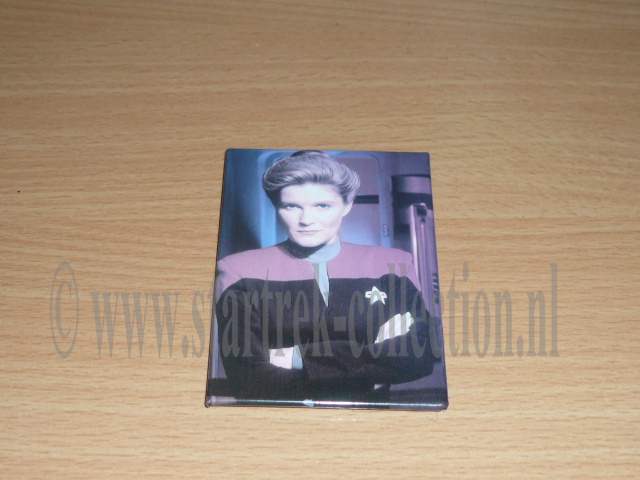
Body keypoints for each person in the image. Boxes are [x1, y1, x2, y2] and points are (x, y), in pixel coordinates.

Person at [209, 150, 437, 402]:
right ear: (277, 207)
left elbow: (421, 354)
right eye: (291, 206)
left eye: (322, 206)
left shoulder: (394, 264)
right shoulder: (237, 270)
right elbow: (247, 377)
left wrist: (294, 357)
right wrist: (371, 363)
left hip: (369, 417)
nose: (306, 220)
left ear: (347, 205)